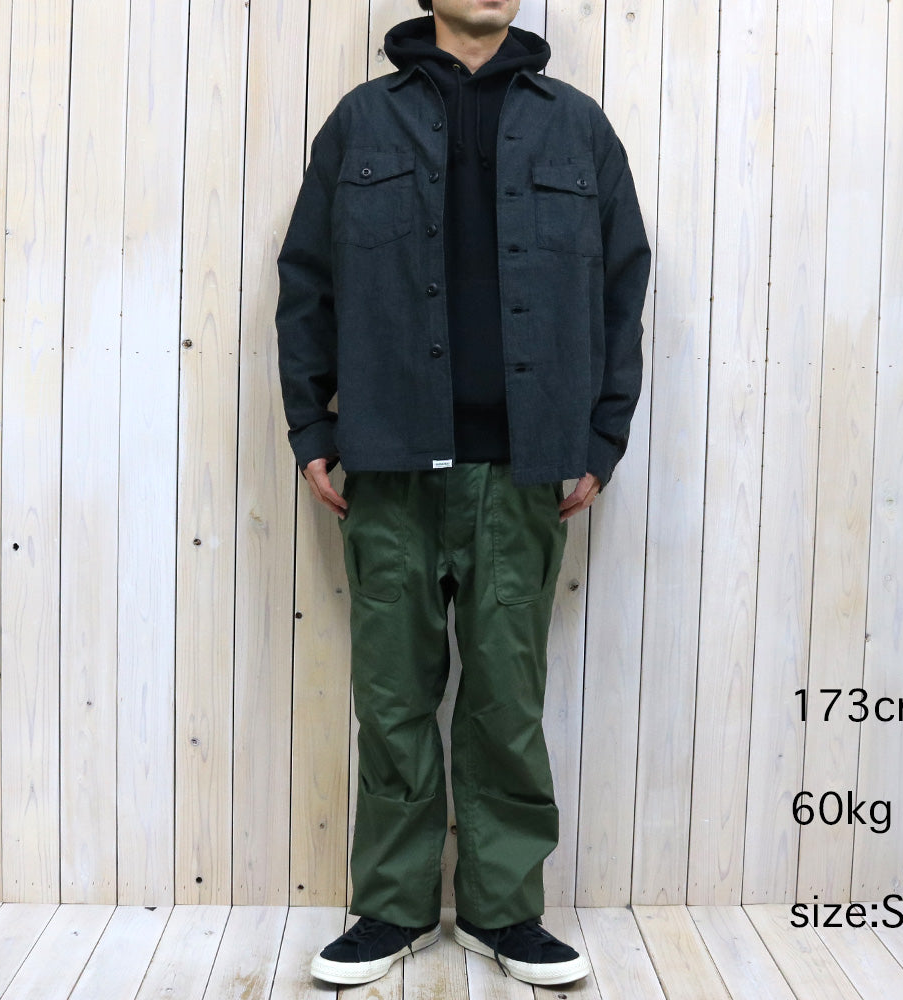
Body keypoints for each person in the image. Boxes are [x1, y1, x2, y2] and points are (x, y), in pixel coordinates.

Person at [275, 0, 649, 987]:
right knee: (392, 699)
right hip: (390, 462)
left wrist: (600, 438)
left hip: (522, 470)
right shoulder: (362, 122)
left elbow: (622, 288)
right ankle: (392, 909)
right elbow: (306, 279)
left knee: (505, 701)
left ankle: (502, 911)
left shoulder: (577, 127)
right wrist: (313, 427)